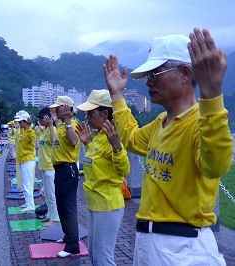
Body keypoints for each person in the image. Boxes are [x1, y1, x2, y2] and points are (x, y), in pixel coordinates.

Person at [103, 28, 233, 266]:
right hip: (148, 241)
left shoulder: (199, 122)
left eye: (155, 73)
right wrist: (117, 95)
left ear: (185, 74)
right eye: (148, 76)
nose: (149, 82)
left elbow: (216, 164)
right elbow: (131, 138)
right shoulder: (160, 124)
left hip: (183, 247)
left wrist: (211, 93)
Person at [76, 89, 130, 265]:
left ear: (105, 113)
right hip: (95, 203)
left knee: (103, 257)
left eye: (91, 113)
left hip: (107, 204)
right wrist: (87, 143)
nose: (87, 117)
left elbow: (124, 170)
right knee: (94, 254)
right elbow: (99, 161)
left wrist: (117, 148)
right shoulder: (99, 136)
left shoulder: (113, 136)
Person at [49, 96, 81, 257]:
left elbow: (74, 141)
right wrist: (56, 121)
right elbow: (55, 142)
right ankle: (68, 236)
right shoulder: (62, 126)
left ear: (67, 108)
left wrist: (67, 120)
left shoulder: (72, 125)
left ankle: (73, 245)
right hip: (60, 170)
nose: (54, 110)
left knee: (68, 207)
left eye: (58, 108)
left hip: (68, 169)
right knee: (61, 206)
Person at [37, 107, 60, 226]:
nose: (39, 120)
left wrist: (51, 125)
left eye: (41, 118)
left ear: (48, 118)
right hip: (44, 166)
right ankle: (50, 214)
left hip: (51, 167)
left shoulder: (53, 130)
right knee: (47, 193)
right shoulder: (44, 131)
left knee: (52, 194)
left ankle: (55, 218)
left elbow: (54, 141)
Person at [16, 112, 36, 212]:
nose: (19, 124)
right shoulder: (24, 132)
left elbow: (32, 137)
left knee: (28, 184)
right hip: (23, 160)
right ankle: (28, 203)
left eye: (21, 122)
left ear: (25, 122)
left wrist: (29, 125)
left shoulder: (30, 133)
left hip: (28, 160)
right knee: (25, 184)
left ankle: (31, 205)